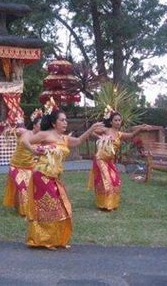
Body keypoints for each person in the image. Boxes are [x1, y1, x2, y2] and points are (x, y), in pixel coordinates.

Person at [21, 98, 104, 249]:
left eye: (66, 120)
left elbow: (78, 141)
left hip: (54, 177)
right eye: (62, 120)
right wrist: (33, 150)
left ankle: (53, 239)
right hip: (41, 175)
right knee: (49, 207)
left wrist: (91, 129)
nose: (65, 123)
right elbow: (24, 139)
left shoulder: (64, 138)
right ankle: (44, 240)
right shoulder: (45, 135)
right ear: (54, 123)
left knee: (61, 207)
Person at [88, 106, 158, 211]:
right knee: (107, 180)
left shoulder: (119, 134)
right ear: (111, 122)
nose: (118, 122)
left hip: (109, 161)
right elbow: (91, 132)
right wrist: (101, 138)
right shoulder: (105, 130)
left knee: (115, 180)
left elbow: (131, 135)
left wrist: (140, 128)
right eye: (115, 120)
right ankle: (106, 204)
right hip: (100, 159)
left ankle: (110, 203)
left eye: (119, 120)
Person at [2, 109, 43, 217]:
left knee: (32, 188)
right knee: (22, 188)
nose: (42, 126)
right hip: (16, 166)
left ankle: (23, 206)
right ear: (34, 125)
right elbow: (8, 132)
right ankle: (24, 210)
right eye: (40, 124)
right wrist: (9, 129)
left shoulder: (43, 137)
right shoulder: (24, 132)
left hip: (30, 167)